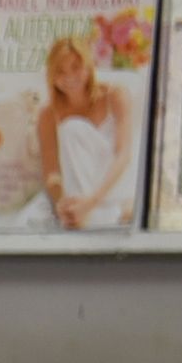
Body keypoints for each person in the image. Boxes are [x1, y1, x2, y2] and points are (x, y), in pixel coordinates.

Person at [39, 31, 132, 230]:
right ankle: (85, 217)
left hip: (113, 191)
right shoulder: (48, 114)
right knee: (71, 129)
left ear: (88, 67)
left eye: (75, 67)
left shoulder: (115, 95)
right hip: (78, 204)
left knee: (73, 128)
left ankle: (99, 215)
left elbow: (123, 154)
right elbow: (52, 173)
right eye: (60, 71)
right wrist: (63, 201)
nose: (69, 77)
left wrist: (92, 201)